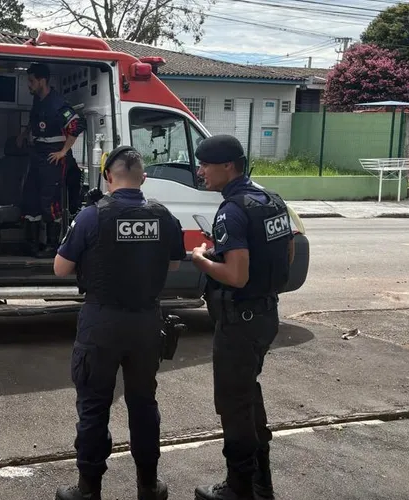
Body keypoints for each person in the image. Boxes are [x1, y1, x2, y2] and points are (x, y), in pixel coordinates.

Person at [52, 146, 186, 500]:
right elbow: (173, 264)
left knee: (94, 406)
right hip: (145, 323)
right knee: (143, 405)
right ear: (143, 177)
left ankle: (88, 490)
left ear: (108, 178)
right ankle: (148, 486)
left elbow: (61, 268)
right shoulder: (163, 215)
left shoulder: (92, 216)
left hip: (101, 323)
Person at [189, 134, 294, 500]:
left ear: (227, 166)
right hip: (265, 315)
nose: (200, 172)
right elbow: (288, 251)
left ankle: (238, 488)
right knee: (249, 399)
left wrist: (202, 258)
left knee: (234, 407)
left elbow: (236, 276)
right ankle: (260, 483)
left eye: (205, 165)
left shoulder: (232, 210)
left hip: (240, 321)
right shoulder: (271, 200)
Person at [17, 62, 87, 257]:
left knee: (49, 200)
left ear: (42, 81)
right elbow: (34, 122)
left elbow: (75, 126)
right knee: (31, 197)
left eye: (31, 81)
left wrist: (64, 151)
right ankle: (31, 243)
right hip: (37, 152)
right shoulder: (38, 101)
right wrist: (23, 135)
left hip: (53, 156)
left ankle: (51, 246)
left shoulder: (58, 103)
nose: (28, 85)